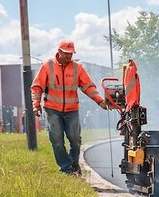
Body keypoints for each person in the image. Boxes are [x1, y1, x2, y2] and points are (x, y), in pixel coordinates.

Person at [31, 38, 109, 175]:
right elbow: (37, 87)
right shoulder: (47, 66)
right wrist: (36, 105)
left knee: (75, 139)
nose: (69, 56)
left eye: (71, 53)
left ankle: (73, 164)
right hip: (52, 110)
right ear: (59, 52)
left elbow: (88, 87)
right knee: (56, 140)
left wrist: (100, 101)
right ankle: (66, 168)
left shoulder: (77, 68)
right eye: (66, 53)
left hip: (72, 110)